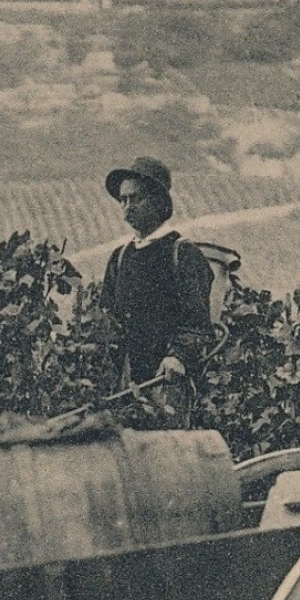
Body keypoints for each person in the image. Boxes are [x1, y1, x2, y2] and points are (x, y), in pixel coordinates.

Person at [101, 157, 214, 426]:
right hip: (126, 385)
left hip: (167, 382)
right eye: (123, 200)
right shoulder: (120, 257)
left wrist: (178, 357)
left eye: (135, 199)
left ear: (158, 202)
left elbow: (197, 324)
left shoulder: (182, 253)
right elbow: (107, 317)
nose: (127, 207)